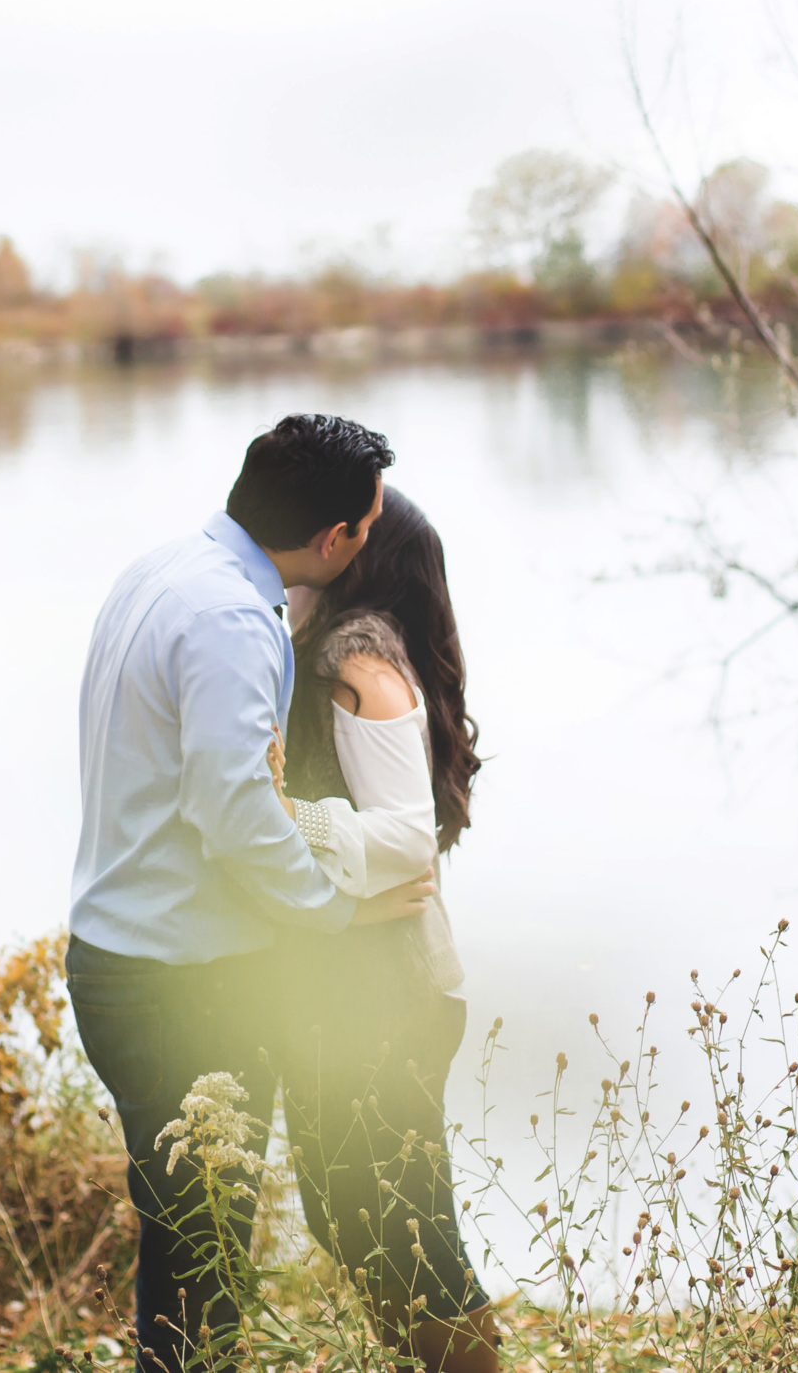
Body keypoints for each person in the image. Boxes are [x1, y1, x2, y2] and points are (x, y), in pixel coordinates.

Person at [67, 414, 433, 1373]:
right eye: (367, 523)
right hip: (182, 980)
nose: (368, 539)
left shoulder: (165, 571)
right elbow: (232, 809)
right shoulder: (234, 620)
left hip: (119, 953)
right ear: (333, 541)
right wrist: (331, 912)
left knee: (185, 1239)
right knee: (205, 1254)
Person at [273, 486, 497, 1373]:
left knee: (413, 1239)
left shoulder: (356, 659)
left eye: (349, 531)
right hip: (352, 987)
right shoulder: (319, 643)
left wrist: (286, 818)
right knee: (350, 1217)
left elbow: (406, 841)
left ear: (363, 556)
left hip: (391, 993)